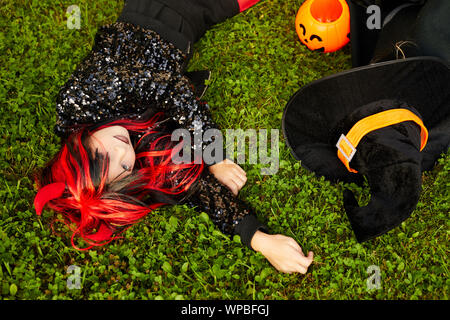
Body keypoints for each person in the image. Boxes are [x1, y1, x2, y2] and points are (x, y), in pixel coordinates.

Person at [33, 0, 314, 274]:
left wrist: (213, 156)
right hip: (195, 18)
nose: (123, 152)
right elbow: (193, 190)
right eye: (122, 169)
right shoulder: (134, 150)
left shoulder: (82, 99)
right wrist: (260, 240)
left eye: (104, 155)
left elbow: (171, 88)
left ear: (79, 146)